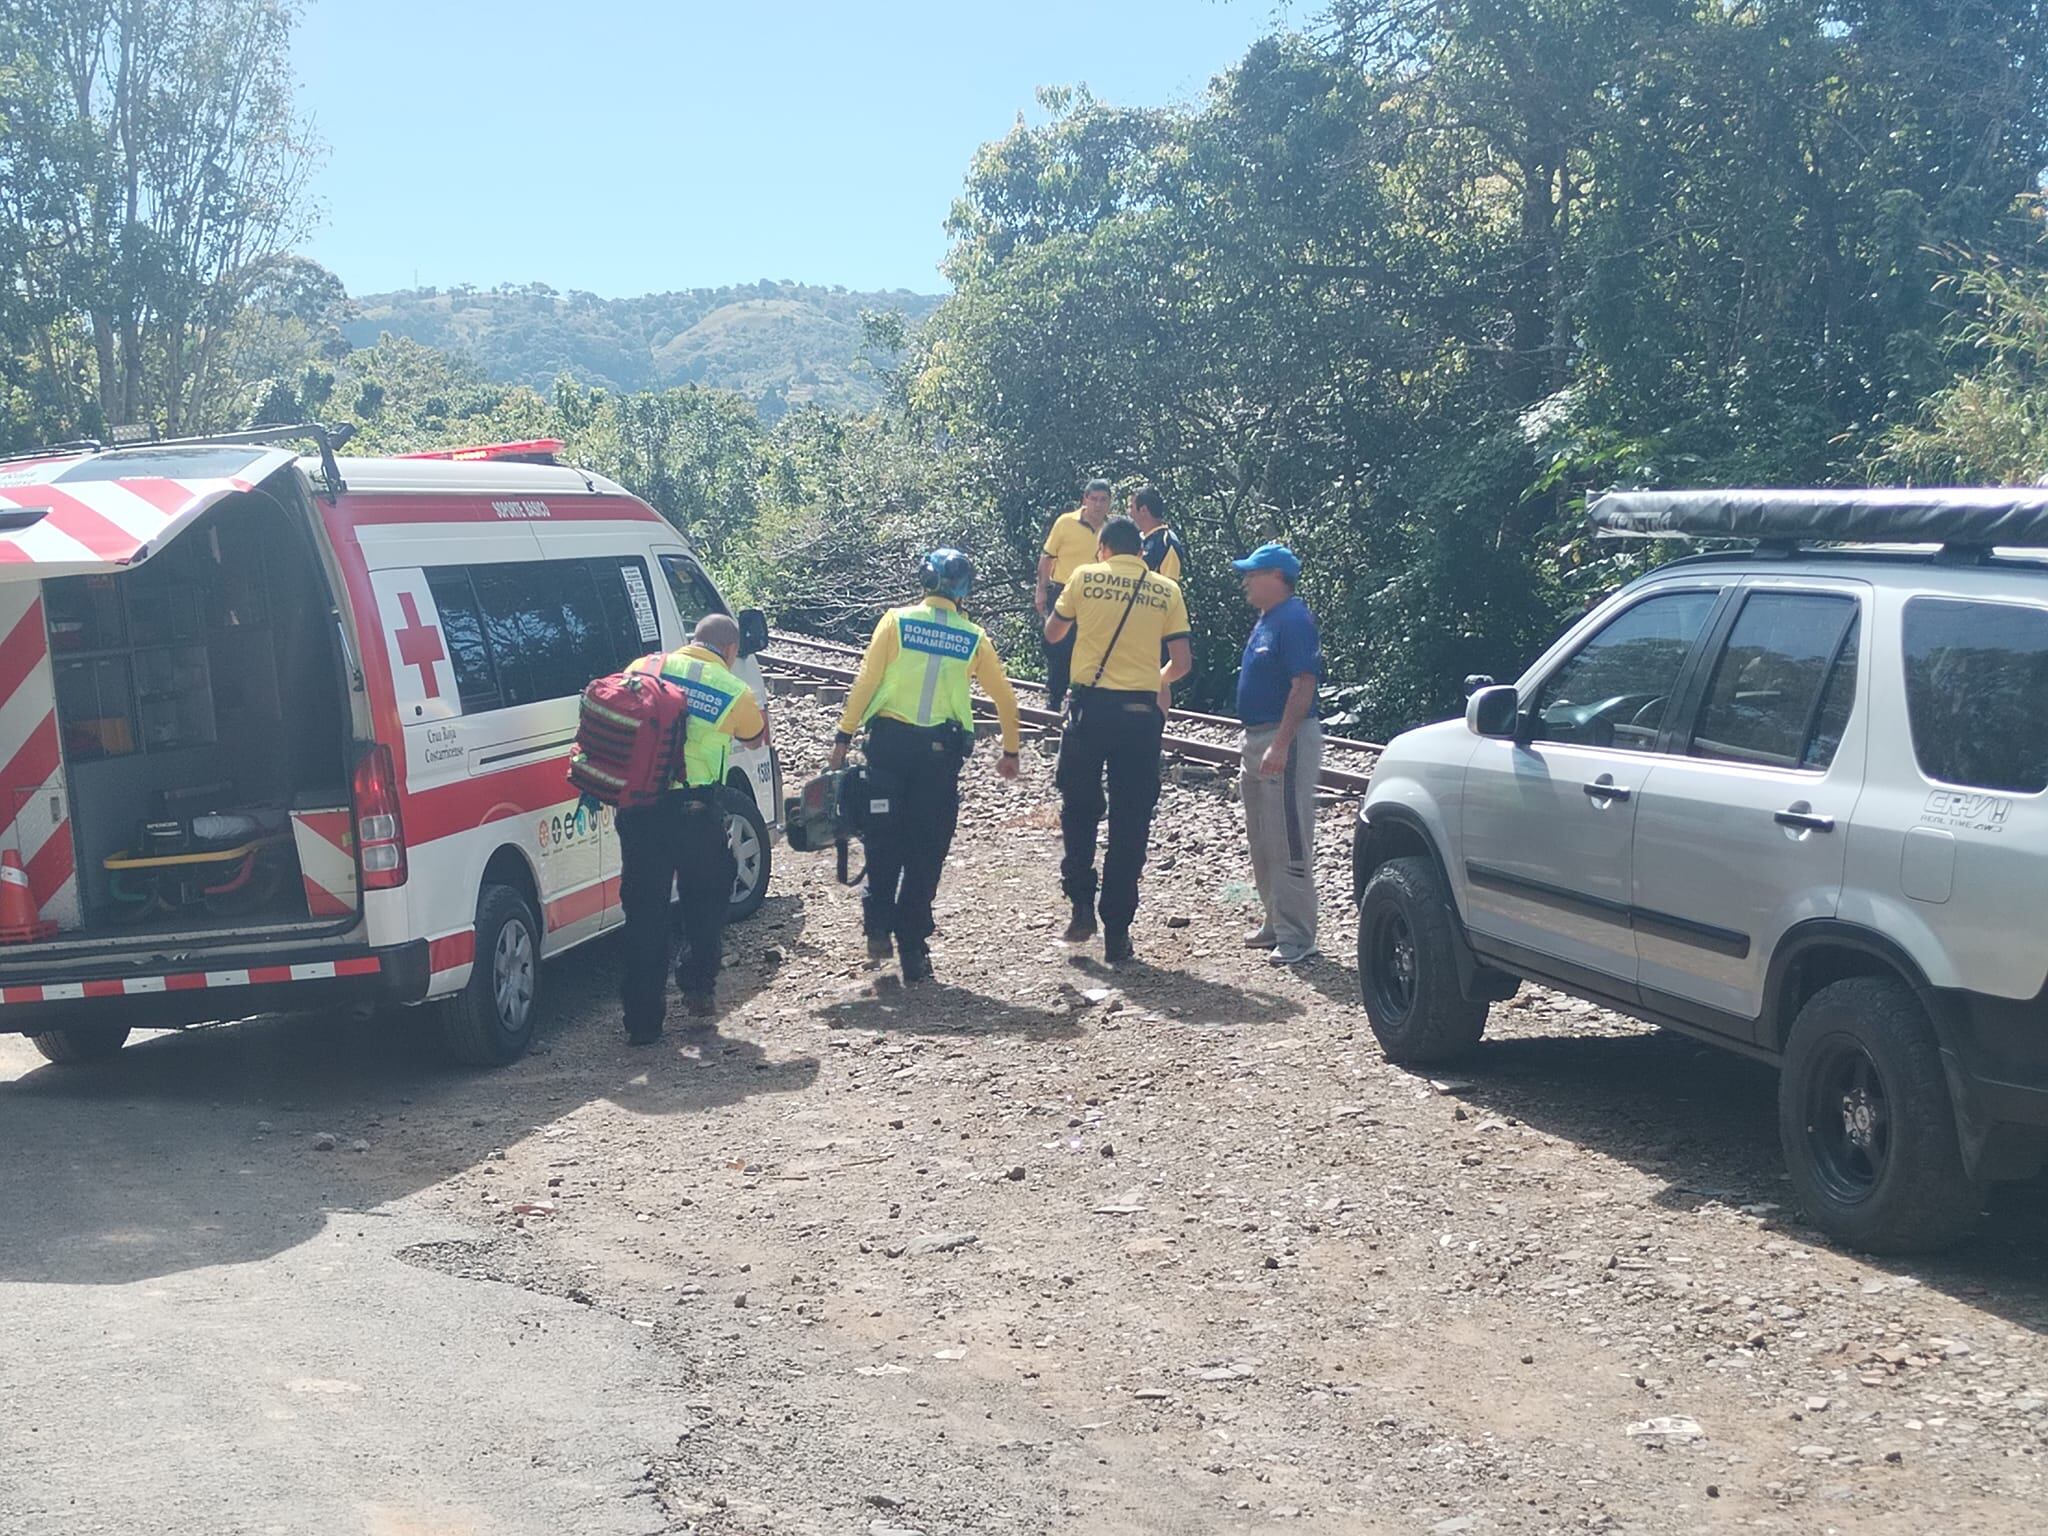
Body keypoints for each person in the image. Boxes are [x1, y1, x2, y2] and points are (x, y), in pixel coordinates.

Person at [828, 550, 1024, 983]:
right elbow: (1006, 700)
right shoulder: (973, 637)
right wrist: (1010, 751)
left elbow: (866, 680)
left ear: (924, 579)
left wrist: (843, 737)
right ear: (963, 589)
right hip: (939, 757)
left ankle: (877, 925)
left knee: (883, 835)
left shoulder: (895, 622)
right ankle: (913, 949)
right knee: (926, 849)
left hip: (888, 748)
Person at [1044, 515, 1193, 963]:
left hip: (1091, 711)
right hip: (1140, 715)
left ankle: (1081, 903)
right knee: (1131, 823)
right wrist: (1153, 679)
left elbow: (1053, 632)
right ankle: (1117, 933)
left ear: (1103, 548)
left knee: (1079, 807)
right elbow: (1182, 663)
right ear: (1140, 551)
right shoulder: (1166, 590)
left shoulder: (1084, 577)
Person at [616, 613, 767, 1043]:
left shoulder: (644, 667)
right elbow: (757, 738)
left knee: (644, 912)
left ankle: (642, 1024)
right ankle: (698, 985)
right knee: (708, 899)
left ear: (691, 641)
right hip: (695, 813)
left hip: (640, 809)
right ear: (732, 651)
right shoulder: (732, 689)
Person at [1233, 543, 1326, 967]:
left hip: (1282, 739)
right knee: (1262, 837)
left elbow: (1303, 684)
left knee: (1288, 839)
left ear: (1276, 577)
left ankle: (1298, 935)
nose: (1246, 581)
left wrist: (1282, 743)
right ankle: (1276, 921)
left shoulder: (1294, 619)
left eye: (1253, 573)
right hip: (1255, 736)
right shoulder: (1266, 620)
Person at [1035, 477, 1113, 711]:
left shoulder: (1111, 529)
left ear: (1109, 503)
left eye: (1103, 500)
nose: (1098, 505)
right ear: (1085, 500)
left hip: (1095, 596)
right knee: (1058, 645)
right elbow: (1047, 556)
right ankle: (1055, 698)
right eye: (1094, 499)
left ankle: (1079, 699)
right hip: (1063, 591)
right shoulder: (1065, 523)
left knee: (1089, 648)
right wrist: (1041, 589)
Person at [1129, 483, 1185, 582]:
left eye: (1131, 507)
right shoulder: (1135, 539)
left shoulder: (1167, 542)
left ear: (1143, 510)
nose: (1128, 512)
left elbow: (1169, 586)